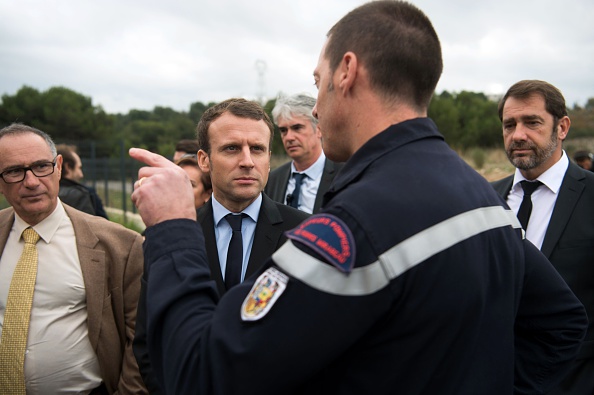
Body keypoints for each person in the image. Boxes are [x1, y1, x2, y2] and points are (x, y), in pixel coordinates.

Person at [130, 2, 587, 394]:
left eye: (318, 81)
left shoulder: (356, 223)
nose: (314, 107)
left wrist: (173, 228)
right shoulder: (479, 195)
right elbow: (561, 324)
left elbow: (203, 372)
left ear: (347, 72)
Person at [133, 98, 309, 394]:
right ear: (204, 160)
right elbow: (149, 342)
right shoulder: (173, 235)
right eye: (231, 148)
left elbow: (314, 341)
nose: (247, 161)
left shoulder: (304, 233)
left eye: (257, 149)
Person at [0, 123, 147, 394]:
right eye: (14, 171)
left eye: (41, 166)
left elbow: (141, 340)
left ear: (58, 167)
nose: (31, 181)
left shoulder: (120, 246)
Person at [491, 80, 594, 395]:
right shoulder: (484, 199)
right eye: (510, 125)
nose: (518, 134)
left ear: (562, 127)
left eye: (532, 122)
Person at [265, 93, 342, 213]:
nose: (289, 137)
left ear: (319, 129)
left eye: (297, 128)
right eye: (283, 130)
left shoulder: (344, 175)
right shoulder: (272, 180)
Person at [56, 144, 109, 219]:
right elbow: (102, 226)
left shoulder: (44, 195)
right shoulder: (83, 195)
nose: (81, 175)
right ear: (68, 167)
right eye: (79, 168)